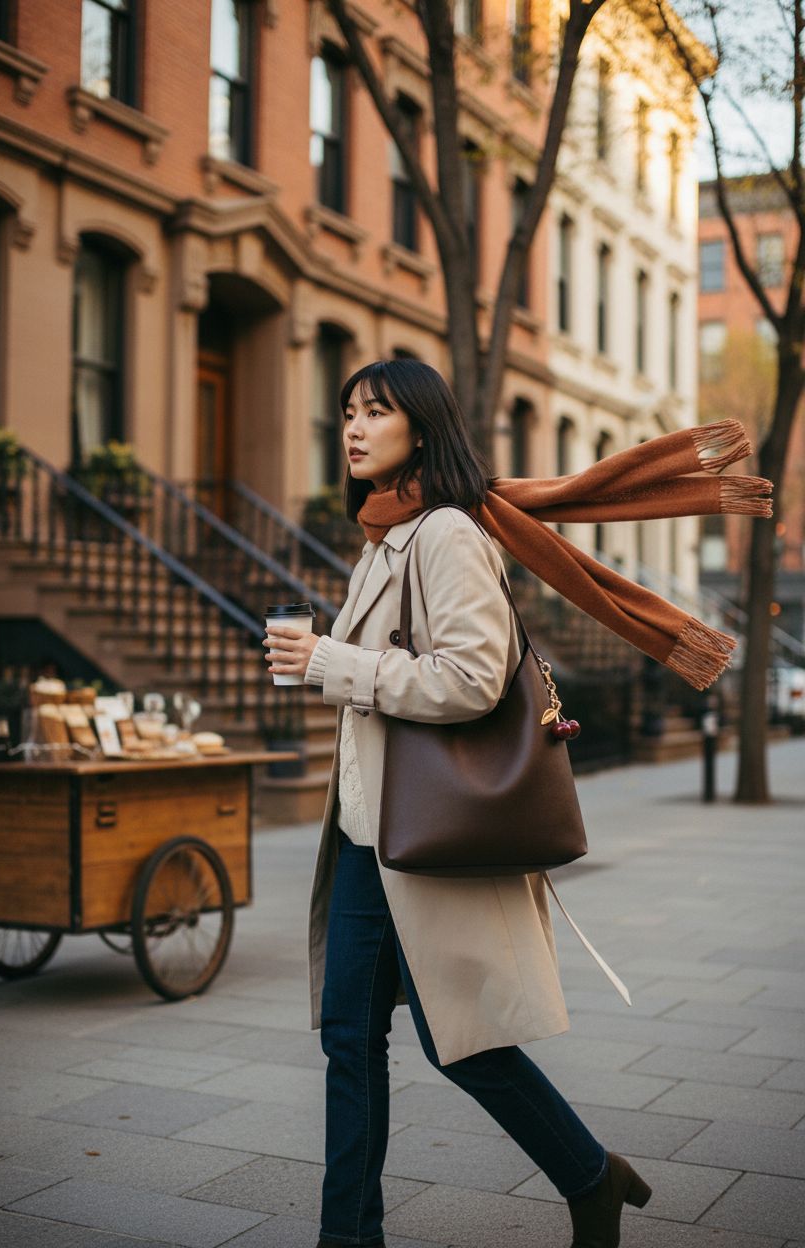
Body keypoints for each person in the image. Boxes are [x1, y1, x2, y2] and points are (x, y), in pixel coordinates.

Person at [264, 359, 662, 1248]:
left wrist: (330, 662)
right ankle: (349, 1235)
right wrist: (331, 664)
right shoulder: (384, 538)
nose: (355, 427)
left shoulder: (444, 534)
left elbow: (474, 681)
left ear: (422, 428)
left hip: (426, 836)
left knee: (461, 1042)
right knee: (348, 1040)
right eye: (348, 412)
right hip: (373, 834)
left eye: (377, 411)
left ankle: (592, 1177)